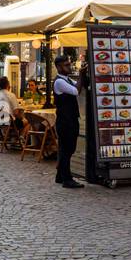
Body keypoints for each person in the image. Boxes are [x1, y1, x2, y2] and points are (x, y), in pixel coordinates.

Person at [51, 55, 83, 188]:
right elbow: (76, 91)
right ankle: (67, 179)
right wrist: (81, 74)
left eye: (69, 64)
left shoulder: (67, 79)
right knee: (67, 149)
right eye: (66, 65)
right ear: (58, 67)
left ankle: (60, 176)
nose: (69, 67)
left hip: (70, 119)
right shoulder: (59, 82)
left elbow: (76, 86)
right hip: (65, 121)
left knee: (66, 149)